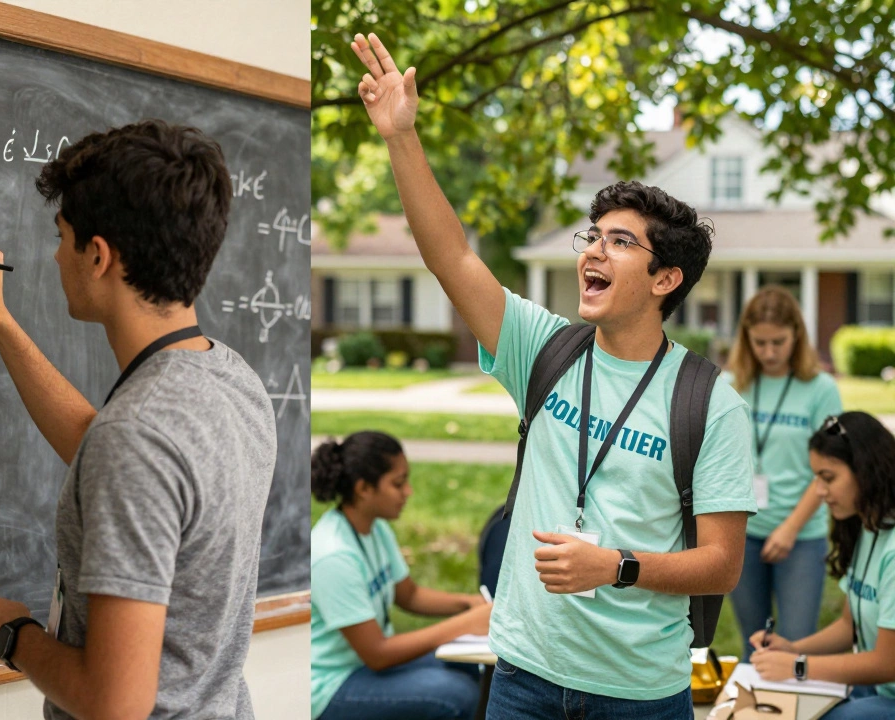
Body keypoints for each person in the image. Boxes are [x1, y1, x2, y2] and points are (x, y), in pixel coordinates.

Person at [349, 32, 756, 720]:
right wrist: (400, 137)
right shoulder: (543, 348)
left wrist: (617, 566)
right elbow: (449, 255)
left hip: (639, 695)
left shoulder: (707, 402)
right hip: (523, 679)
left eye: (620, 242)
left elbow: (721, 564)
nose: (594, 250)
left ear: (666, 278)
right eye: (593, 235)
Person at [0, 120, 277, 720]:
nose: (54, 255)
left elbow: (115, 704)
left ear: (97, 255)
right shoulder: (234, 383)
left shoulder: (136, 438)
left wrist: (10, 637)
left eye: (62, 236)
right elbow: (102, 448)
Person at [310, 431, 493, 720]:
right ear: (363, 489)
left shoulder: (375, 528)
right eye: (398, 483)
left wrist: (467, 603)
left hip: (365, 667)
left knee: (470, 668)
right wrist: (465, 624)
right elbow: (378, 654)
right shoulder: (333, 555)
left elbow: (409, 595)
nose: (408, 492)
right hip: (332, 686)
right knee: (456, 694)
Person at [750, 411, 895, 719]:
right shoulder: (868, 527)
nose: (819, 490)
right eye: (815, 477)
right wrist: (792, 649)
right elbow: (849, 625)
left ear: (865, 471)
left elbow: (887, 662)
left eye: (828, 478)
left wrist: (798, 667)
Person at [726, 286, 842, 660]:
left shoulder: (821, 388)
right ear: (746, 338)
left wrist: (790, 528)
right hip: (743, 535)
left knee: (793, 647)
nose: (770, 352)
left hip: (801, 537)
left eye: (779, 342)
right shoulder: (733, 385)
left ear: (797, 335)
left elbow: (830, 469)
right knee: (753, 644)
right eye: (760, 343)